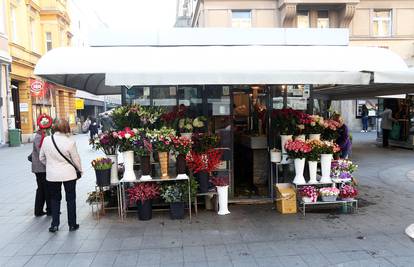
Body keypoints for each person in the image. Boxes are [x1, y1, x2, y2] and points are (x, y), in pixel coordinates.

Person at [40, 119, 82, 233]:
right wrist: (80, 170)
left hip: (52, 175)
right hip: (69, 174)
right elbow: (76, 159)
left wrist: (50, 165)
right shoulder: (70, 142)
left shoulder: (47, 140)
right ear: (66, 128)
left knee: (54, 199)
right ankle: (72, 224)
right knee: (71, 199)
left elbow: (41, 158)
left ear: (55, 127)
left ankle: (54, 225)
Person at [31, 115, 52, 216]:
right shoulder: (39, 137)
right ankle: (45, 210)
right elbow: (41, 153)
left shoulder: (41, 136)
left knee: (43, 188)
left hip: (40, 168)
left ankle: (40, 210)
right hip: (40, 168)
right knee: (44, 188)